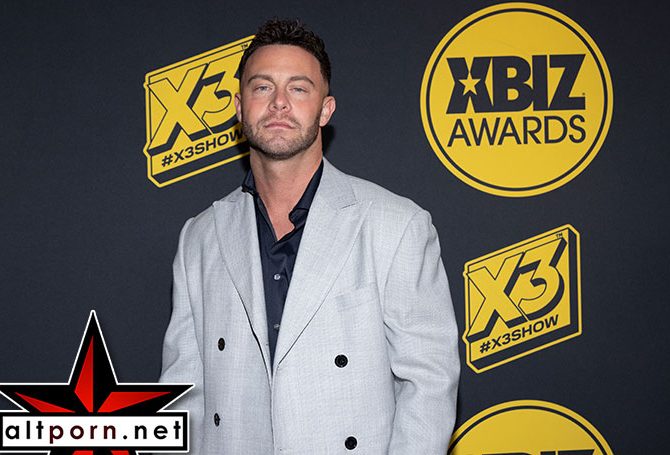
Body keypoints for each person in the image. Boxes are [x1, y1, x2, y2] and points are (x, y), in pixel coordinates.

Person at [159, 18, 460, 454]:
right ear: (239, 107)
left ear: (325, 109)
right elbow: (184, 394)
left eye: (299, 88)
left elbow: (429, 385)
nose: (279, 102)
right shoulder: (200, 238)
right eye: (262, 87)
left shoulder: (395, 225)